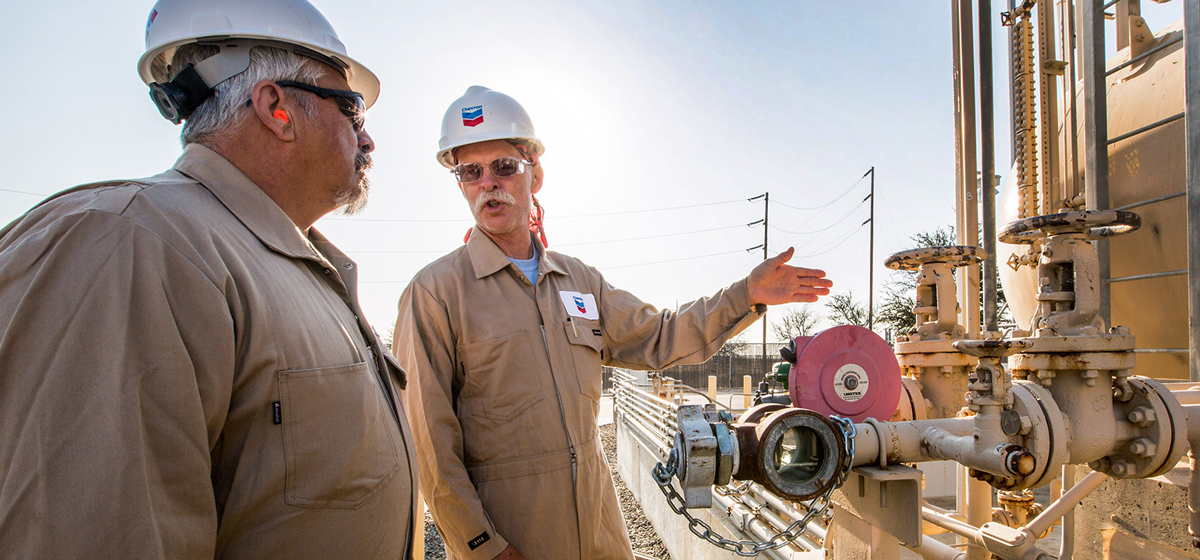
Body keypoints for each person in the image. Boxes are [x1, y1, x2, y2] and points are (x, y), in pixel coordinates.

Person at [0, 0, 417, 557]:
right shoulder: (130, 243)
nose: (367, 140)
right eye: (352, 111)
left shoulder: (287, 263)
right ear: (277, 108)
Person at [394, 86, 834, 560]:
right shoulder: (435, 293)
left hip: (602, 532)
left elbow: (660, 336)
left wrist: (744, 295)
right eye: (470, 172)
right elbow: (428, 445)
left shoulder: (577, 280)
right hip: (513, 539)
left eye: (503, 166)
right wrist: (482, 547)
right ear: (460, 183)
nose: (487, 183)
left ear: (534, 174)